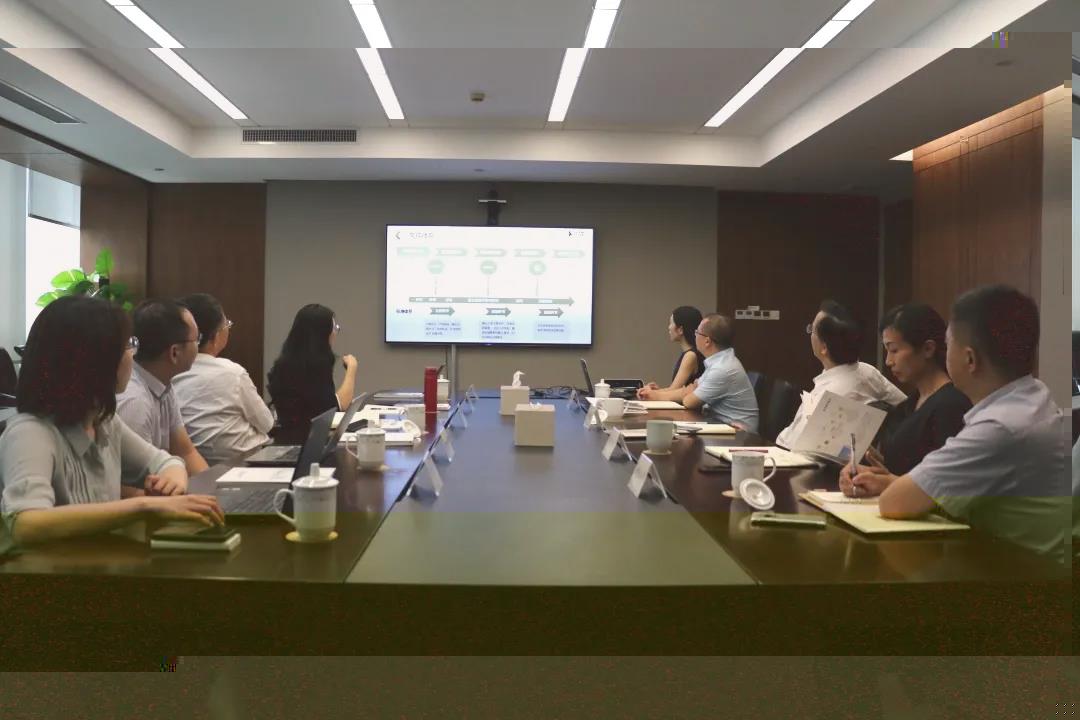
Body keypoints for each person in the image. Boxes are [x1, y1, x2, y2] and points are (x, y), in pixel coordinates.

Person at [843, 285, 1068, 562]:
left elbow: (894, 503)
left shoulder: (998, 427)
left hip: (1016, 576)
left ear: (970, 359)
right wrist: (891, 481)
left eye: (948, 345)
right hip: (1023, 563)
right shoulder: (1034, 398)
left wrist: (895, 486)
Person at [0, 296, 223, 553]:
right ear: (96, 360)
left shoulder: (105, 422)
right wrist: (143, 506)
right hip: (46, 575)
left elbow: (166, 462)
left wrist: (172, 478)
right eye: (128, 345)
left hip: (98, 565)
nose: (133, 356)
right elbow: (26, 523)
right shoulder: (30, 433)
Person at [839, 303, 970, 482]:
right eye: (887, 351)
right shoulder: (909, 404)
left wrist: (889, 481)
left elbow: (947, 482)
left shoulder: (951, 405)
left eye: (894, 350)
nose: (888, 361)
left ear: (928, 349)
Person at [775, 300, 906, 449]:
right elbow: (907, 405)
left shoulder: (829, 396)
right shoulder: (868, 371)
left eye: (812, 330)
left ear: (824, 348)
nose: (810, 334)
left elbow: (792, 446)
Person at [173, 294, 274, 464]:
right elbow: (267, 423)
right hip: (247, 463)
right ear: (215, 335)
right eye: (227, 324)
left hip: (193, 467)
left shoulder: (172, 373)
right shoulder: (232, 373)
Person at [117, 299, 208, 477]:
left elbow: (186, 452)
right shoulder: (134, 402)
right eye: (196, 339)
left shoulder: (162, 382)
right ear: (175, 353)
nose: (199, 346)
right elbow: (127, 482)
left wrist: (213, 489)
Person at [640, 313, 758, 431]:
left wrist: (659, 395)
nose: (695, 335)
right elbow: (687, 391)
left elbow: (689, 401)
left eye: (697, 332)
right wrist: (655, 394)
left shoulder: (722, 369)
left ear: (707, 341)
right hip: (721, 425)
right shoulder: (719, 361)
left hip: (738, 433)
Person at [267, 304, 357, 444]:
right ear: (322, 333)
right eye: (334, 328)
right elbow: (339, 405)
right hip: (306, 443)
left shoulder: (286, 362)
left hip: (292, 439)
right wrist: (352, 368)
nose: (335, 333)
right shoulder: (313, 367)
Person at [637, 306, 705, 398]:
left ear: (680, 330)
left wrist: (651, 393)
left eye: (671, 323)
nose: (669, 328)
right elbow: (675, 391)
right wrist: (656, 391)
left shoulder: (690, 356)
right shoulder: (690, 353)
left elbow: (674, 390)